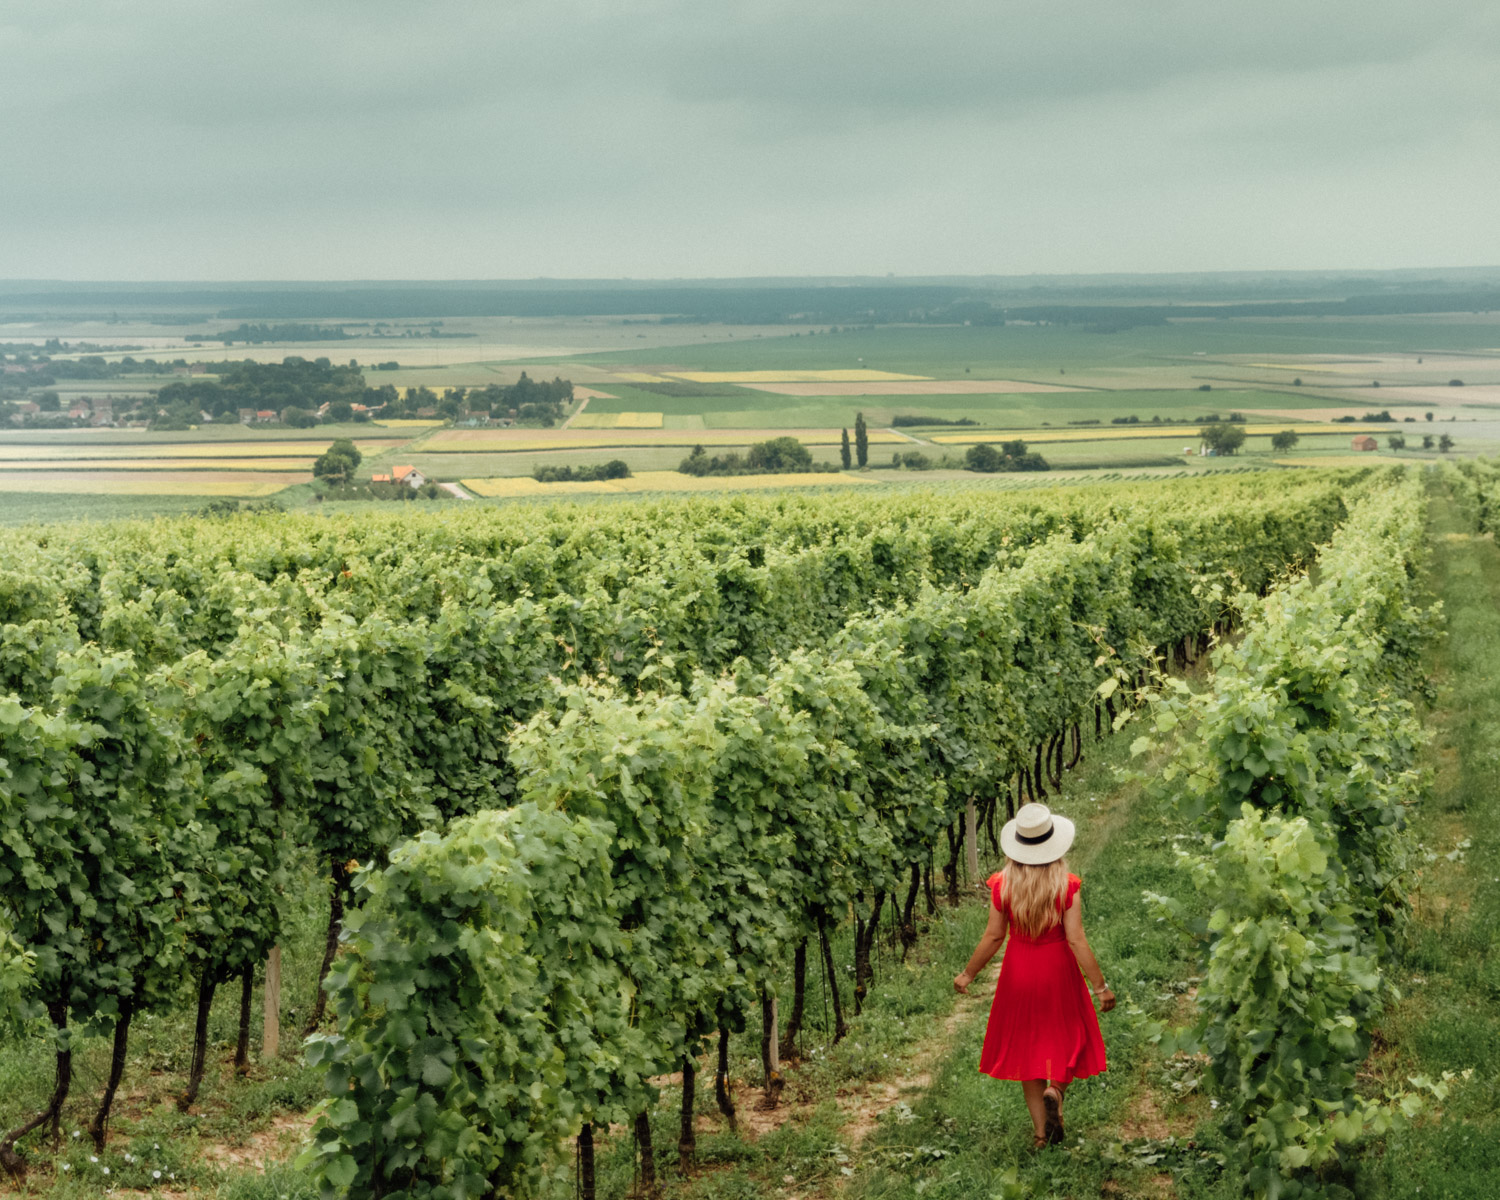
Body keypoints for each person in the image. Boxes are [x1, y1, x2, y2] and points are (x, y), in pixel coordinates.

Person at [953, 802, 1113, 1149]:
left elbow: (994, 936)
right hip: (1058, 969)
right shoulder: (1066, 885)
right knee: (1072, 1035)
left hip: (1019, 972)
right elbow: (1076, 939)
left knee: (1028, 1051)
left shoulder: (1002, 885)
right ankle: (1056, 1089)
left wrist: (968, 973)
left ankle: (1041, 1136)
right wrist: (1100, 987)